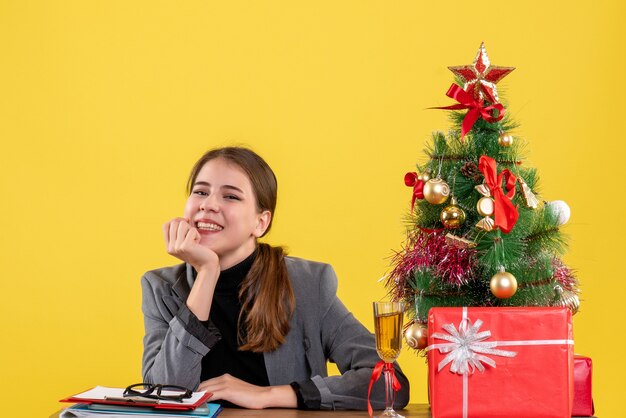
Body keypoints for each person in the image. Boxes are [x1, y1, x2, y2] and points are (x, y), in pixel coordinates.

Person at [140, 146, 410, 410]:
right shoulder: (159, 288)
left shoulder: (308, 284)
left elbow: (389, 382)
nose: (208, 205)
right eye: (200, 191)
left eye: (231, 196)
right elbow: (165, 393)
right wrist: (208, 272)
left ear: (261, 222)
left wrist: (270, 395)